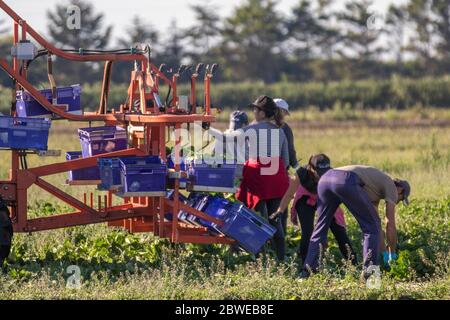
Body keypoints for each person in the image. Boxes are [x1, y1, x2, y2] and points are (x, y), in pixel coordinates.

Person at [301, 164, 410, 277]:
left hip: (326, 179)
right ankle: (371, 276)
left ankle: (306, 271)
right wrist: (392, 253)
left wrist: (383, 254)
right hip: (346, 179)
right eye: (401, 199)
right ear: (400, 190)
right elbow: (389, 224)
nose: (398, 202)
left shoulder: (373, 188)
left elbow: (378, 230)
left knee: (320, 228)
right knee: (372, 228)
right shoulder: (391, 186)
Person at [271, 154, 356, 266]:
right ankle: (306, 266)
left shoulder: (332, 174)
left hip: (325, 198)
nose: (322, 175)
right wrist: (280, 211)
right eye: (319, 172)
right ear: (311, 168)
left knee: (339, 230)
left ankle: (354, 264)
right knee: (308, 232)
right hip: (305, 199)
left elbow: (342, 195)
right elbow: (289, 194)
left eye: (325, 171)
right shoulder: (300, 173)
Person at [236, 95, 290, 261]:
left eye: (255, 109)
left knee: (257, 219)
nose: (253, 111)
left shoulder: (252, 129)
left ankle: (259, 258)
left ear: (261, 112)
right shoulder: (280, 131)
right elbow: (286, 160)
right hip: (277, 179)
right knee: (275, 219)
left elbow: (228, 139)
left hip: (259, 178)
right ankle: (281, 258)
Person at [273, 98, 298, 233]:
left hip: (257, 173)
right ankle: (279, 242)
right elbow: (289, 150)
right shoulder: (284, 128)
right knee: (280, 208)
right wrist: (296, 166)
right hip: (279, 173)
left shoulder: (257, 125)